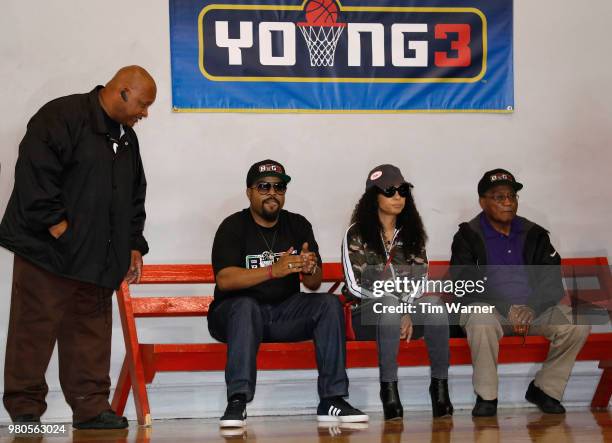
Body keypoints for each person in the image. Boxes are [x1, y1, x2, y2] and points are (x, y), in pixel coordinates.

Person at [0, 66, 156, 429]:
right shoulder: (61, 116)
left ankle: (90, 409)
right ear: (121, 92)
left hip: (98, 258)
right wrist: (60, 229)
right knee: (33, 332)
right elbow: (34, 174)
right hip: (47, 254)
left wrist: (134, 245)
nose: (145, 113)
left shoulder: (127, 138)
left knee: (90, 334)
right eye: (143, 104)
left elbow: (135, 196)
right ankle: (24, 412)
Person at [208, 160, 368, 428]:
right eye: (264, 186)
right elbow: (225, 280)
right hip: (235, 316)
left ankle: (332, 399)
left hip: (283, 313)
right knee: (245, 305)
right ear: (249, 192)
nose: (272, 192)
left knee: (328, 304)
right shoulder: (233, 226)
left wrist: (310, 266)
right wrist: (274, 270)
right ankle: (237, 400)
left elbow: (314, 283)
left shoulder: (297, 224)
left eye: (279, 187)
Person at [450, 168, 590, 417]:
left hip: (533, 312)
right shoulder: (467, 236)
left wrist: (531, 308)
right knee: (480, 319)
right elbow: (464, 285)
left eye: (511, 196)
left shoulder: (534, 234)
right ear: (482, 201)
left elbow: (552, 284)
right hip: (491, 312)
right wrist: (507, 308)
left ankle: (545, 390)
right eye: (499, 197)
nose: (507, 202)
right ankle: (487, 398)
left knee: (577, 322)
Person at [342, 164, 453, 420]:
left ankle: (440, 389)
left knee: (435, 305)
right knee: (389, 305)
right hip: (367, 314)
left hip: (403, 313)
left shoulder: (412, 234)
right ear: (374, 196)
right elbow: (354, 283)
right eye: (390, 191)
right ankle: (388, 390)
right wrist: (396, 304)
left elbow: (421, 277)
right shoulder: (356, 233)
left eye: (403, 191)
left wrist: (404, 308)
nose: (398, 197)